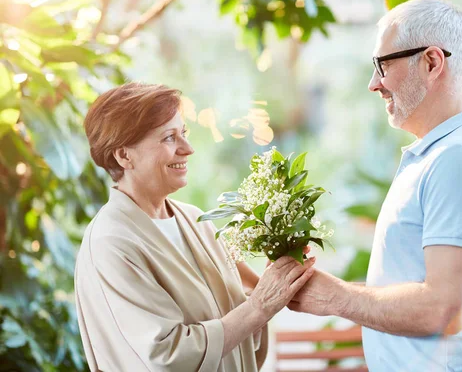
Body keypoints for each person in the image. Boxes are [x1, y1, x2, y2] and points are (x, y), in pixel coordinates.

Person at [289, 0, 462, 371]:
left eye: (383, 65)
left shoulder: (458, 159)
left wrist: (336, 298)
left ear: (431, 62)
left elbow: (443, 309)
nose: (373, 84)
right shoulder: (439, 154)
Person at [75, 82, 315, 371]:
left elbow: (239, 330)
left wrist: (275, 285)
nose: (187, 149)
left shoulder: (196, 222)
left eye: (184, 134)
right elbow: (165, 357)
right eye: (168, 138)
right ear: (124, 156)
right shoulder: (111, 243)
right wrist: (258, 307)